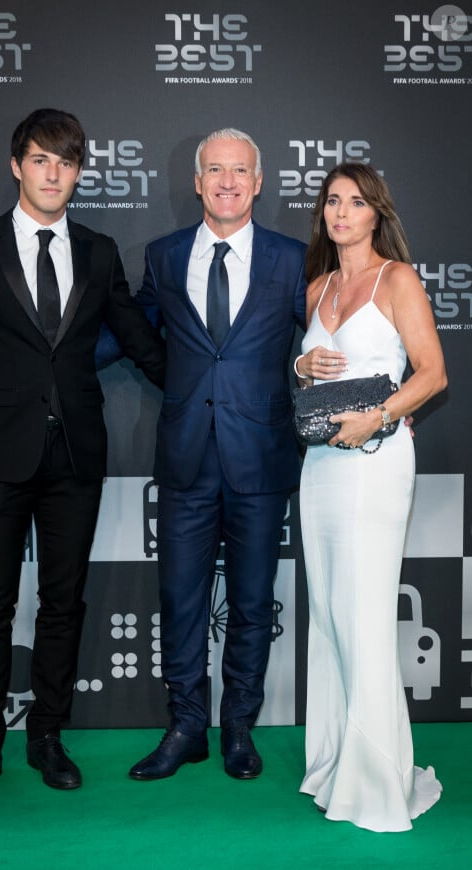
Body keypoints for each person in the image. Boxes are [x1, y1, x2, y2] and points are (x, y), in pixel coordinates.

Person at [0, 108, 165, 805]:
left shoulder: (98, 249)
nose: (52, 172)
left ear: (80, 171)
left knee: (64, 604)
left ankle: (47, 739)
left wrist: (211, 385)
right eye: (39, 159)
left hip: (76, 458)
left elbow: (139, 344)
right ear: (17, 166)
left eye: (65, 161)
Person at [128, 128, 307, 781]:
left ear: (258, 183)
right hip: (184, 458)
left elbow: (326, 335)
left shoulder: (294, 258)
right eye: (214, 171)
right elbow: (135, 331)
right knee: (180, 597)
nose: (227, 181)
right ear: (197, 182)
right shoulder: (166, 254)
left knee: (253, 602)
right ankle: (184, 727)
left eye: (240, 171)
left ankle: (238, 729)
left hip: (261, 458)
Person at [294, 162, 446, 831]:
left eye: (355, 202)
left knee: (362, 610)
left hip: (376, 461)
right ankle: (334, 763)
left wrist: (379, 416)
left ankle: (376, 777)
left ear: (376, 213)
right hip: (320, 466)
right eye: (332, 201)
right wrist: (299, 365)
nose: (341, 212)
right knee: (328, 609)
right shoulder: (317, 287)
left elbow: (434, 373)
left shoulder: (397, 279)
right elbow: (314, 378)